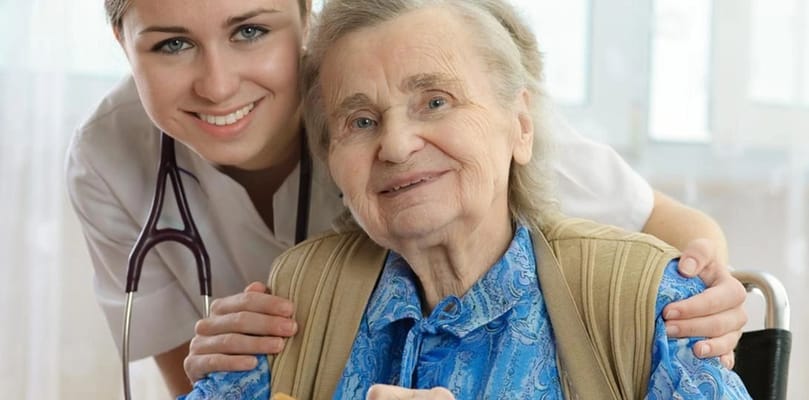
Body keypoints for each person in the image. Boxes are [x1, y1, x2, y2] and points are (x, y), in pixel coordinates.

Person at [66, 0, 744, 396]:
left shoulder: (639, 304)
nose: (395, 143)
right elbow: (193, 374)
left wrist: (707, 290)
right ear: (330, 146)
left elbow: (678, 238)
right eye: (358, 121)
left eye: (435, 102)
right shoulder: (285, 310)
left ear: (521, 124)